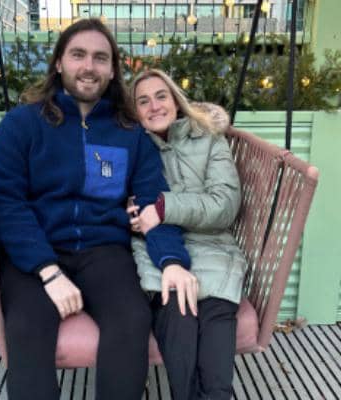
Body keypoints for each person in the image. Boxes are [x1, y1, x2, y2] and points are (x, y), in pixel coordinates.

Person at [0, 21, 191, 400]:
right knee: (27, 328)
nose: (89, 66)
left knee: (132, 320)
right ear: (59, 63)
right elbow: (6, 202)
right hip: (35, 254)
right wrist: (48, 271)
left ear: (112, 70)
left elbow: (152, 201)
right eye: (78, 55)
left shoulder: (128, 132)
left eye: (100, 58)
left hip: (104, 252)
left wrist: (171, 259)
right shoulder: (22, 124)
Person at [128, 69, 247, 400]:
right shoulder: (133, 147)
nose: (154, 106)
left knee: (215, 319)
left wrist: (163, 207)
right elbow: (110, 196)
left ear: (176, 100)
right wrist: (130, 214)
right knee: (177, 313)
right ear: (134, 111)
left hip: (214, 247)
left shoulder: (208, 138)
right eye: (143, 101)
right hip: (160, 250)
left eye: (161, 96)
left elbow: (225, 204)